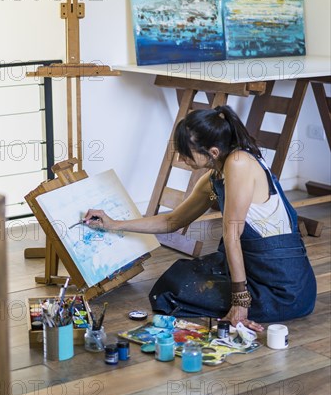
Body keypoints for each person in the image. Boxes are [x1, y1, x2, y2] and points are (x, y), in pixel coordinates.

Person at [84, 105, 317, 332]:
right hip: (255, 267)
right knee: (177, 277)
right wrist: (113, 223)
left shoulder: (239, 163)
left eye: (187, 153)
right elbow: (171, 221)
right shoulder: (215, 176)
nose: (182, 158)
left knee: (175, 291)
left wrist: (240, 302)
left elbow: (232, 236)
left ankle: (252, 302)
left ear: (212, 152)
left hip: (283, 285)